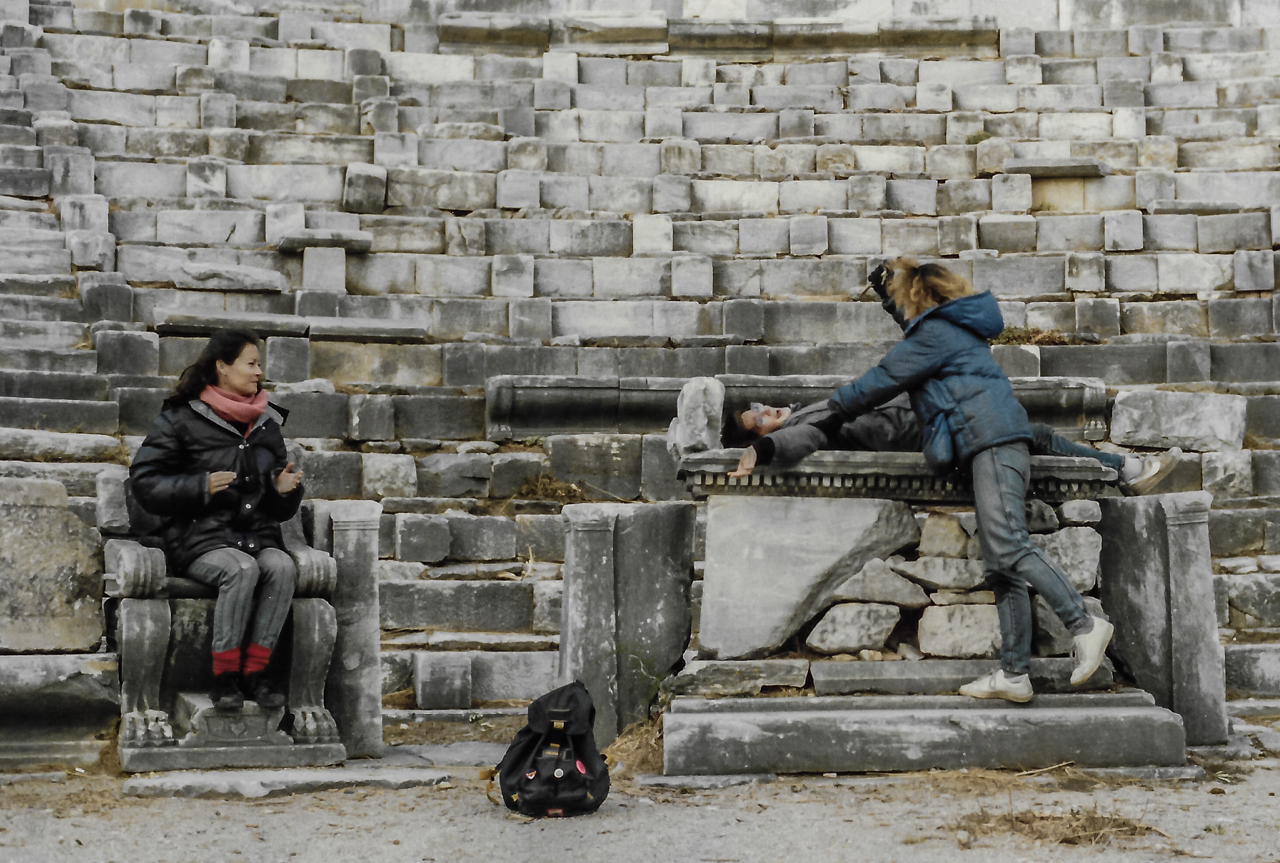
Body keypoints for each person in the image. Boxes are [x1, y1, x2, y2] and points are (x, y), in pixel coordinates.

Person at [728, 258, 1122, 703]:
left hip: (991, 442)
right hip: (985, 442)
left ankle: (1084, 625)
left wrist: (779, 439)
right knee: (999, 565)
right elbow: (912, 340)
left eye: (901, 300)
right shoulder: (946, 329)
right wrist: (885, 294)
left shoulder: (934, 336)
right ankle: (1014, 674)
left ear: (917, 300)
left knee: (1009, 545)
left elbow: (874, 385)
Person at [130, 329, 304, 713]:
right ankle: (224, 676)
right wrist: (200, 486)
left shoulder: (267, 425)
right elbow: (144, 483)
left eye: (259, 364)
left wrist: (282, 490)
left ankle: (256, 673)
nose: (259, 372)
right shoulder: (180, 419)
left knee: (281, 567)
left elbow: (278, 512)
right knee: (240, 570)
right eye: (251, 363)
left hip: (256, 537)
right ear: (222, 367)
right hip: (197, 539)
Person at [727, 400, 1180, 496]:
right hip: (936, 435)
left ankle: (1123, 468)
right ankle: (1124, 468)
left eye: (761, 408)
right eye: (760, 417)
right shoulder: (810, 424)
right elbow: (800, 441)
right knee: (1034, 432)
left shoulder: (810, 409)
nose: (768, 409)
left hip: (939, 420)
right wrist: (764, 451)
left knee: (1035, 431)